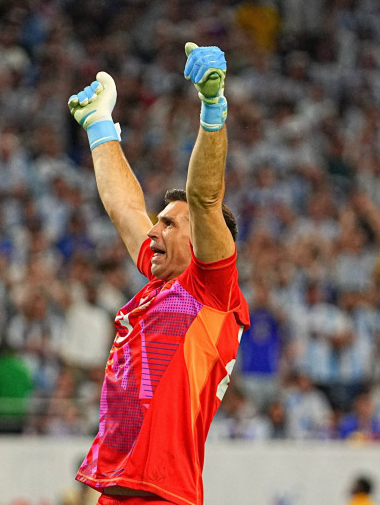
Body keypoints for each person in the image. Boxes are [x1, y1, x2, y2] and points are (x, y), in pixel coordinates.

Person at [67, 43, 249, 505]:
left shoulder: (211, 292)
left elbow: (205, 197)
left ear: (202, 242)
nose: (155, 230)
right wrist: (99, 125)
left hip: (163, 491)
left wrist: (212, 107)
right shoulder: (160, 283)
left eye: (169, 223)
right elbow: (124, 207)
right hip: (120, 487)